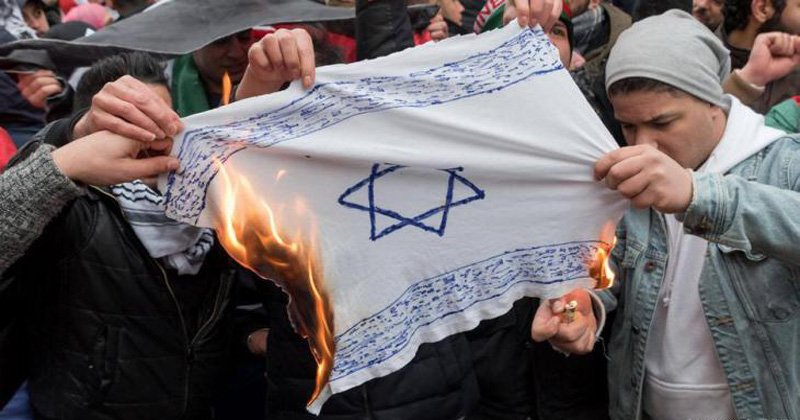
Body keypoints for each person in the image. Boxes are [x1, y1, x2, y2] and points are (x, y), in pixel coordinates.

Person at [535, 9, 800, 419]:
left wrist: (698, 195)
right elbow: (611, 263)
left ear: (712, 100)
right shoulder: (627, 172)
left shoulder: (782, 163)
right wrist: (586, 303)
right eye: (628, 127)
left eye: (662, 122)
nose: (645, 145)